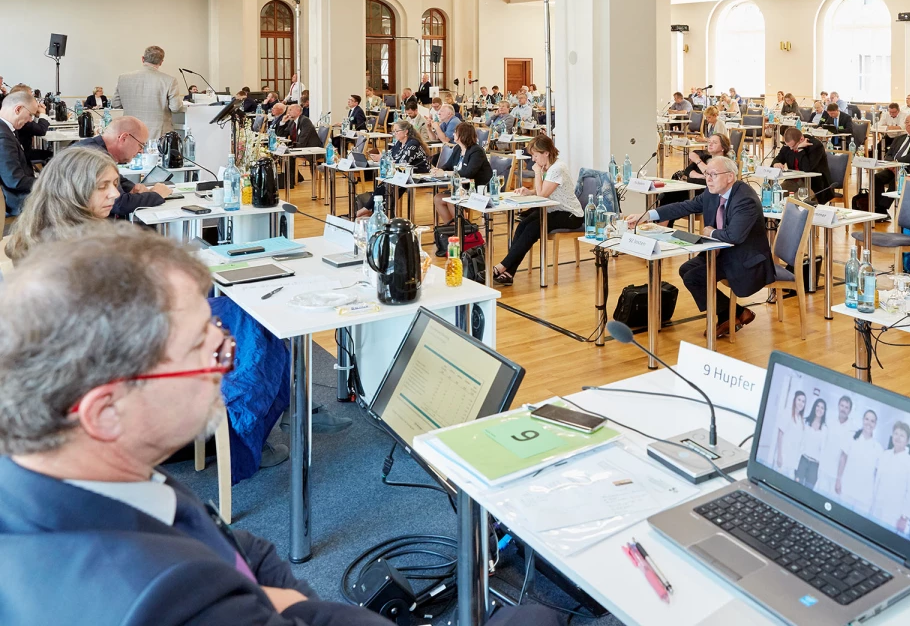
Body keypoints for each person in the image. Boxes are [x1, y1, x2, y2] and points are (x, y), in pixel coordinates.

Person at [0, 228, 558, 626]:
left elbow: (237, 548)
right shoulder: (156, 597)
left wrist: (279, 603)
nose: (229, 351)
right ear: (104, 411)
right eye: (203, 346)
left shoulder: (68, 475)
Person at [626, 156, 776, 337]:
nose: (709, 179)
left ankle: (729, 315)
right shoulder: (712, 193)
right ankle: (733, 313)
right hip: (723, 252)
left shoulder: (745, 199)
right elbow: (684, 206)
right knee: (686, 269)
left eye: (713, 174)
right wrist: (647, 215)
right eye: (707, 174)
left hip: (744, 259)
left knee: (694, 277)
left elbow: (735, 236)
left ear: (730, 177)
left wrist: (710, 232)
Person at [491, 135, 583, 287]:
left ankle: (502, 267)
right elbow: (545, 191)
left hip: (571, 215)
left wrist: (537, 173)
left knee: (533, 228)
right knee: (523, 225)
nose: (533, 159)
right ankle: (509, 273)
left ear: (546, 152)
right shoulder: (551, 166)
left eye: (535, 155)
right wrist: (529, 192)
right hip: (554, 210)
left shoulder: (557, 168)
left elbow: (542, 195)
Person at [3, 146, 119, 262]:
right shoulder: (83, 251)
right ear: (70, 191)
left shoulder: (36, 228)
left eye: (115, 184)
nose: (116, 193)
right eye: (102, 186)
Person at [75, 116, 169, 219]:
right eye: (141, 145)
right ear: (124, 138)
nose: (141, 151)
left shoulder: (93, 147)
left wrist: (134, 188)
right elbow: (119, 204)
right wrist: (157, 194)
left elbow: (118, 179)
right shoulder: (94, 156)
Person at [656, 133, 730, 225]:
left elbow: (712, 178)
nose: (710, 144)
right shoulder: (705, 157)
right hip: (691, 188)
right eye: (709, 142)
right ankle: (664, 228)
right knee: (666, 195)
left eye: (714, 142)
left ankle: (663, 229)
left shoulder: (725, 162)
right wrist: (703, 176)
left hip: (706, 193)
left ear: (723, 147)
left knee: (671, 197)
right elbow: (687, 171)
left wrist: (698, 161)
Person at [112, 45, 183, 138]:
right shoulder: (169, 80)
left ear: (142, 59)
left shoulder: (123, 78)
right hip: (158, 134)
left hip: (130, 133)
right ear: (161, 62)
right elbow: (176, 108)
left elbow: (115, 104)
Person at [871, 114, 910, 215]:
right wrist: (892, 164)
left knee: (896, 181)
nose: (909, 124)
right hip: (893, 168)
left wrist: (898, 163)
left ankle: (881, 209)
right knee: (876, 178)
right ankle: (878, 207)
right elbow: (889, 154)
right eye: (907, 122)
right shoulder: (899, 138)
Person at [432, 122, 493, 223]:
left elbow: (468, 173)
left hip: (477, 188)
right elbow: (448, 165)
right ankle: (452, 229)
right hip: (462, 189)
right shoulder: (457, 148)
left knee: (453, 201)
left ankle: (465, 230)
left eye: (455, 133)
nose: (453, 135)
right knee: (438, 198)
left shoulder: (476, 151)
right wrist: (439, 170)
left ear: (462, 135)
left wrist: (445, 174)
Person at [870, 422, 910, 533]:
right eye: (896, 433)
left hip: (894, 514)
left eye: (902, 435)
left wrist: (904, 517)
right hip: (876, 506)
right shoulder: (885, 454)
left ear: (907, 441)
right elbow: (876, 478)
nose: (898, 438)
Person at [0, 91, 40, 218]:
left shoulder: (7, 129)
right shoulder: (3, 136)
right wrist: (47, 182)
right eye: (30, 115)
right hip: (14, 200)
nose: (29, 120)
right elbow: (15, 181)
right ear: (18, 109)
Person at [774, 127, 835, 204]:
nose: (791, 149)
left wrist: (800, 150)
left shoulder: (815, 146)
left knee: (793, 202)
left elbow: (807, 169)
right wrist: (776, 163)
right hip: (794, 180)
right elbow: (778, 159)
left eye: (793, 146)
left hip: (814, 185)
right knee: (775, 196)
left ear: (801, 139)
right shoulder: (789, 145)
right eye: (789, 146)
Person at [838, 409, 880, 515]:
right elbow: (843, 458)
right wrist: (838, 480)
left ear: (875, 425)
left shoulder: (878, 448)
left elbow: (876, 475)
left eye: (872, 421)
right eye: (867, 419)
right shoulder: (851, 437)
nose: (869, 423)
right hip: (847, 489)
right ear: (862, 420)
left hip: (864, 497)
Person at [817, 396, 853, 501]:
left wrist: (839, 478)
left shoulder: (852, 429)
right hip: (824, 469)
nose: (843, 409)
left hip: (837, 476)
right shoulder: (830, 422)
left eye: (846, 407)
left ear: (850, 411)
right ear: (838, 406)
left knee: (831, 503)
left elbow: (845, 455)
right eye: (842, 405)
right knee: (819, 500)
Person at [795, 399, 828, 489]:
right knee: (796, 487)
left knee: (808, 490)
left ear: (824, 411)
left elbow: (823, 449)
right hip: (803, 460)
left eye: (822, 408)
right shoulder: (806, 422)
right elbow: (800, 441)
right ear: (814, 407)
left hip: (814, 465)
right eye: (818, 406)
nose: (819, 409)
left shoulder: (825, 429)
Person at [772, 390, 806, 479]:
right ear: (794, 400)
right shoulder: (787, 413)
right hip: (783, 458)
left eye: (803, 401)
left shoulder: (801, 420)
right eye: (799, 400)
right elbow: (780, 434)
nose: (801, 403)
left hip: (792, 462)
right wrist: (779, 455)